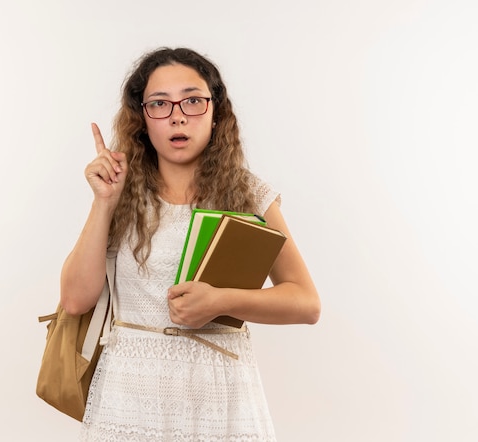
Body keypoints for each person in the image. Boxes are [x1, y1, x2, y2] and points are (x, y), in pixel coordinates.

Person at [60, 47, 320, 441]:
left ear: (216, 114)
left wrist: (221, 301)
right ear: (142, 120)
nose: (177, 115)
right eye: (160, 104)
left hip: (221, 394)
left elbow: (305, 302)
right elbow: (76, 300)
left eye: (193, 100)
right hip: (131, 394)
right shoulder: (120, 193)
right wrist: (104, 202)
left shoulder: (248, 194)